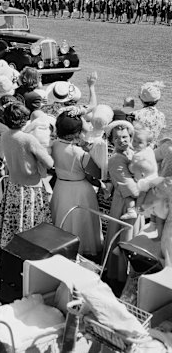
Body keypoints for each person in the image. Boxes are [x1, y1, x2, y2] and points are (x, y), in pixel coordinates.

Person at [0, 102, 54, 248]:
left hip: (13, 185)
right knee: (30, 223)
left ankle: (10, 246)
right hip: (30, 188)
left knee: (13, 220)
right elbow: (49, 163)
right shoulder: (28, 139)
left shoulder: (6, 135)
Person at [50, 111, 102, 257]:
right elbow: (97, 173)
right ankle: (82, 250)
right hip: (80, 190)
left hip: (60, 187)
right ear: (77, 132)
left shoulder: (53, 145)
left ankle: (61, 247)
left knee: (62, 218)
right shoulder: (80, 153)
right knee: (81, 222)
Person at [104, 120, 143, 287]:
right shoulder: (115, 160)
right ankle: (119, 276)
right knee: (125, 235)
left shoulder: (131, 153)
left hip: (136, 203)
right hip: (124, 204)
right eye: (117, 138)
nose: (122, 141)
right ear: (111, 140)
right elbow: (130, 188)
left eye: (125, 137)